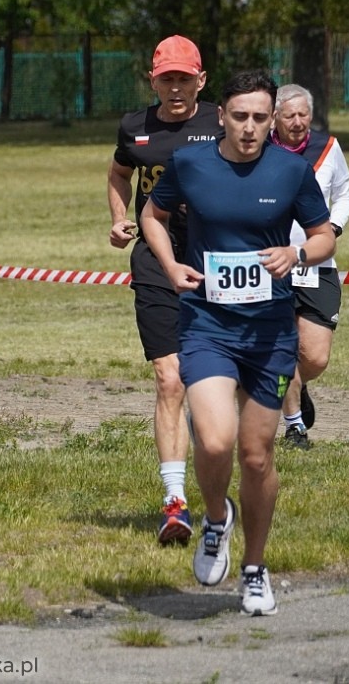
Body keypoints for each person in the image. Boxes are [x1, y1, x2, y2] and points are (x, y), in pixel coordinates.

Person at [140, 70, 335, 617]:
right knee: (217, 441)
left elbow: (323, 236)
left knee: (256, 455)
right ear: (220, 116)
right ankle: (216, 520)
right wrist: (171, 264)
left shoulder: (291, 169)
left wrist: (296, 256)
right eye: (239, 116)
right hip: (207, 324)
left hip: (270, 332)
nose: (249, 128)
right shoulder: (191, 164)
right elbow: (152, 216)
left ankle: (254, 567)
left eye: (259, 118)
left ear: (272, 120)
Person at [107, 35, 219, 547]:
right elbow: (118, 173)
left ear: (200, 80)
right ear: (152, 81)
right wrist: (117, 217)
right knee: (168, 379)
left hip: (216, 257)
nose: (174, 88)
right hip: (155, 256)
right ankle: (174, 503)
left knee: (212, 384)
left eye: (183, 78)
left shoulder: (221, 123)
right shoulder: (136, 127)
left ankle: (218, 480)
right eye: (165, 78)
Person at [269, 84, 349, 449]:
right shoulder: (261, 149)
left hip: (317, 263)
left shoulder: (327, 148)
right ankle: (294, 428)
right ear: (275, 117)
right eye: (290, 115)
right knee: (284, 348)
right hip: (272, 263)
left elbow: (345, 193)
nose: (298, 121)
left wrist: (332, 228)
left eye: (304, 114)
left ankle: (294, 386)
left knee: (315, 357)